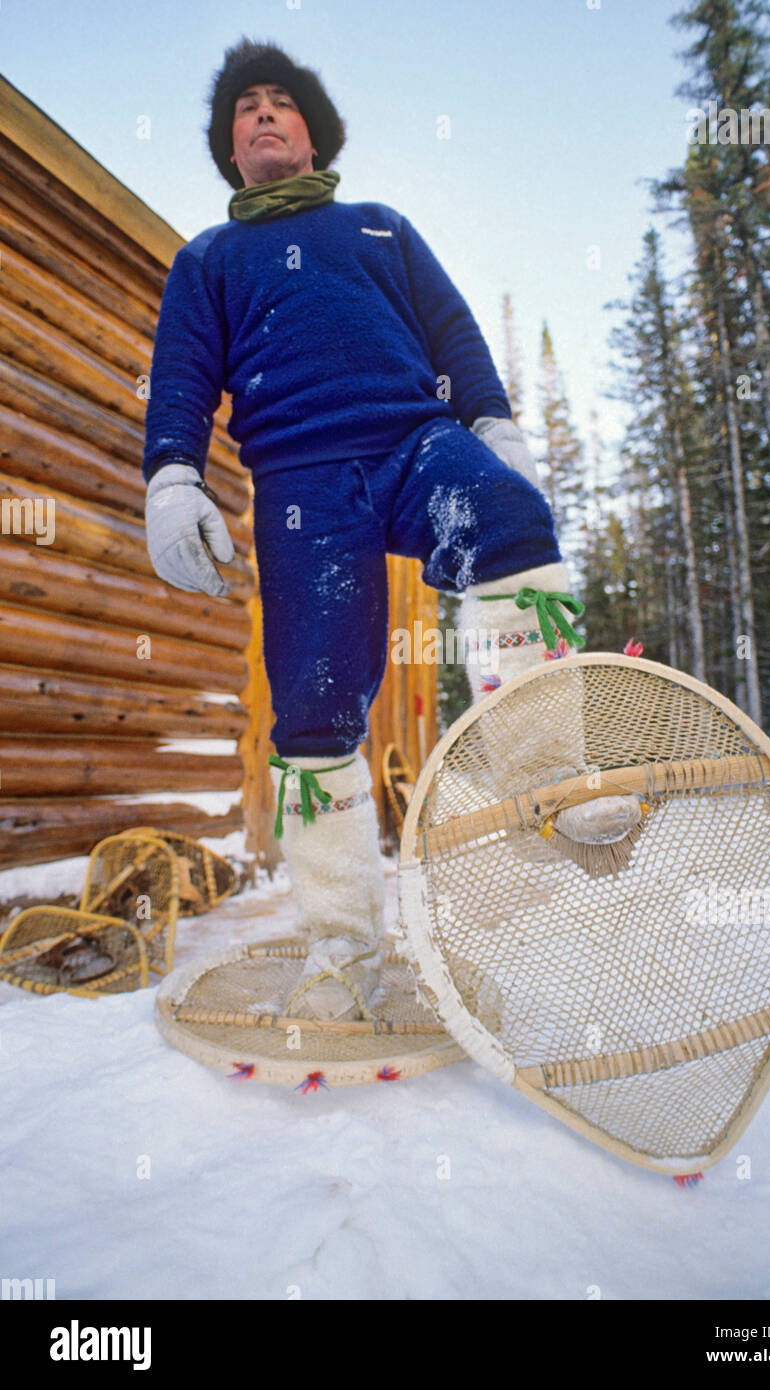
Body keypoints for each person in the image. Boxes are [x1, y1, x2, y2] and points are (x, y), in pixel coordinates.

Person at [143, 37, 590, 1023]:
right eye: (243, 109)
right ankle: (343, 948)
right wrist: (172, 474)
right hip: (301, 483)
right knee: (311, 708)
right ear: (230, 149)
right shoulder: (209, 260)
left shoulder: (381, 229)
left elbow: (454, 332)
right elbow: (180, 375)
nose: (261, 113)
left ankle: (550, 773)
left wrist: (491, 420)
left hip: (414, 439)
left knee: (509, 517)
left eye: (280, 103)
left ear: (312, 134)